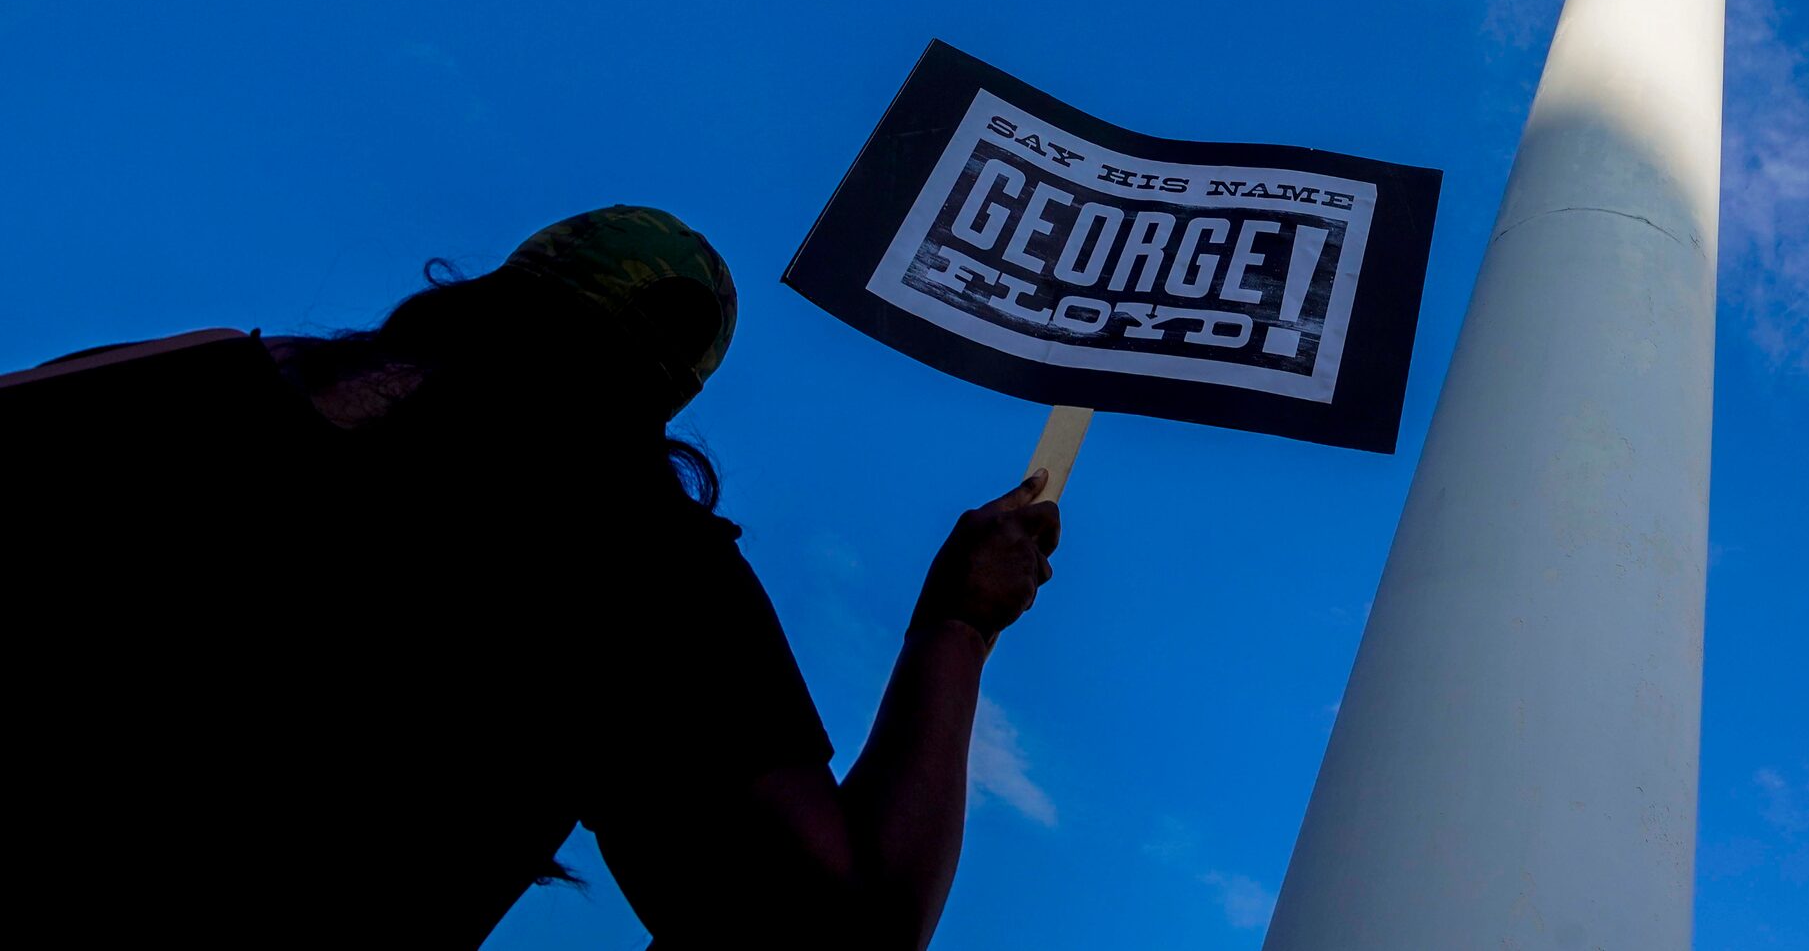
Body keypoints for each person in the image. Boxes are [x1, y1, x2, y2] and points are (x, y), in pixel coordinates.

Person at [0, 205, 1058, 949]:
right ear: (669, 393)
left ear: (507, 283)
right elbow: (842, 929)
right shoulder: (639, 569)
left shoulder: (194, 372)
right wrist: (958, 624)